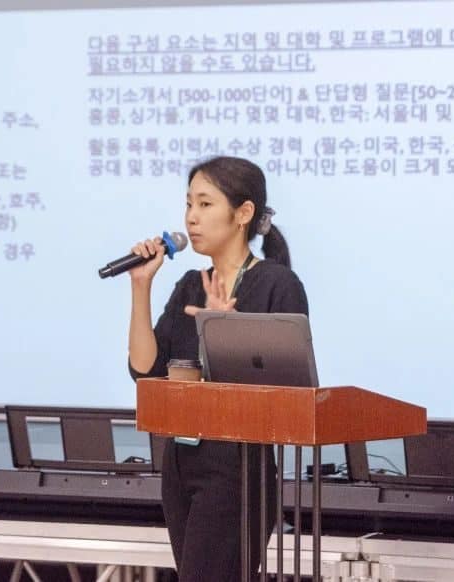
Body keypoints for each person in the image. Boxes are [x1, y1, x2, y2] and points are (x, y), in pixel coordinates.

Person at [127, 156, 309, 581]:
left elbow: (289, 388)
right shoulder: (191, 285)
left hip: (237, 469)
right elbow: (145, 370)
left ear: (243, 213)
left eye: (205, 204)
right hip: (181, 463)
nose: (191, 217)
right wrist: (140, 286)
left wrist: (223, 328)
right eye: (188, 204)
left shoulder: (277, 285)